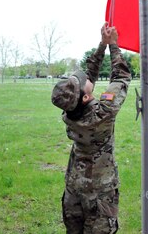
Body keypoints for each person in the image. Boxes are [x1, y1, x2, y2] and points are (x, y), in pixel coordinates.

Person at [51, 23, 131, 233]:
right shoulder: (102, 114)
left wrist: (101, 46)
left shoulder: (69, 112)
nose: (86, 78)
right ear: (86, 97)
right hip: (99, 194)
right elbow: (121, 77)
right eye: (82, 83)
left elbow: (88, 78)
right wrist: (113, 45)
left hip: (74, 191)